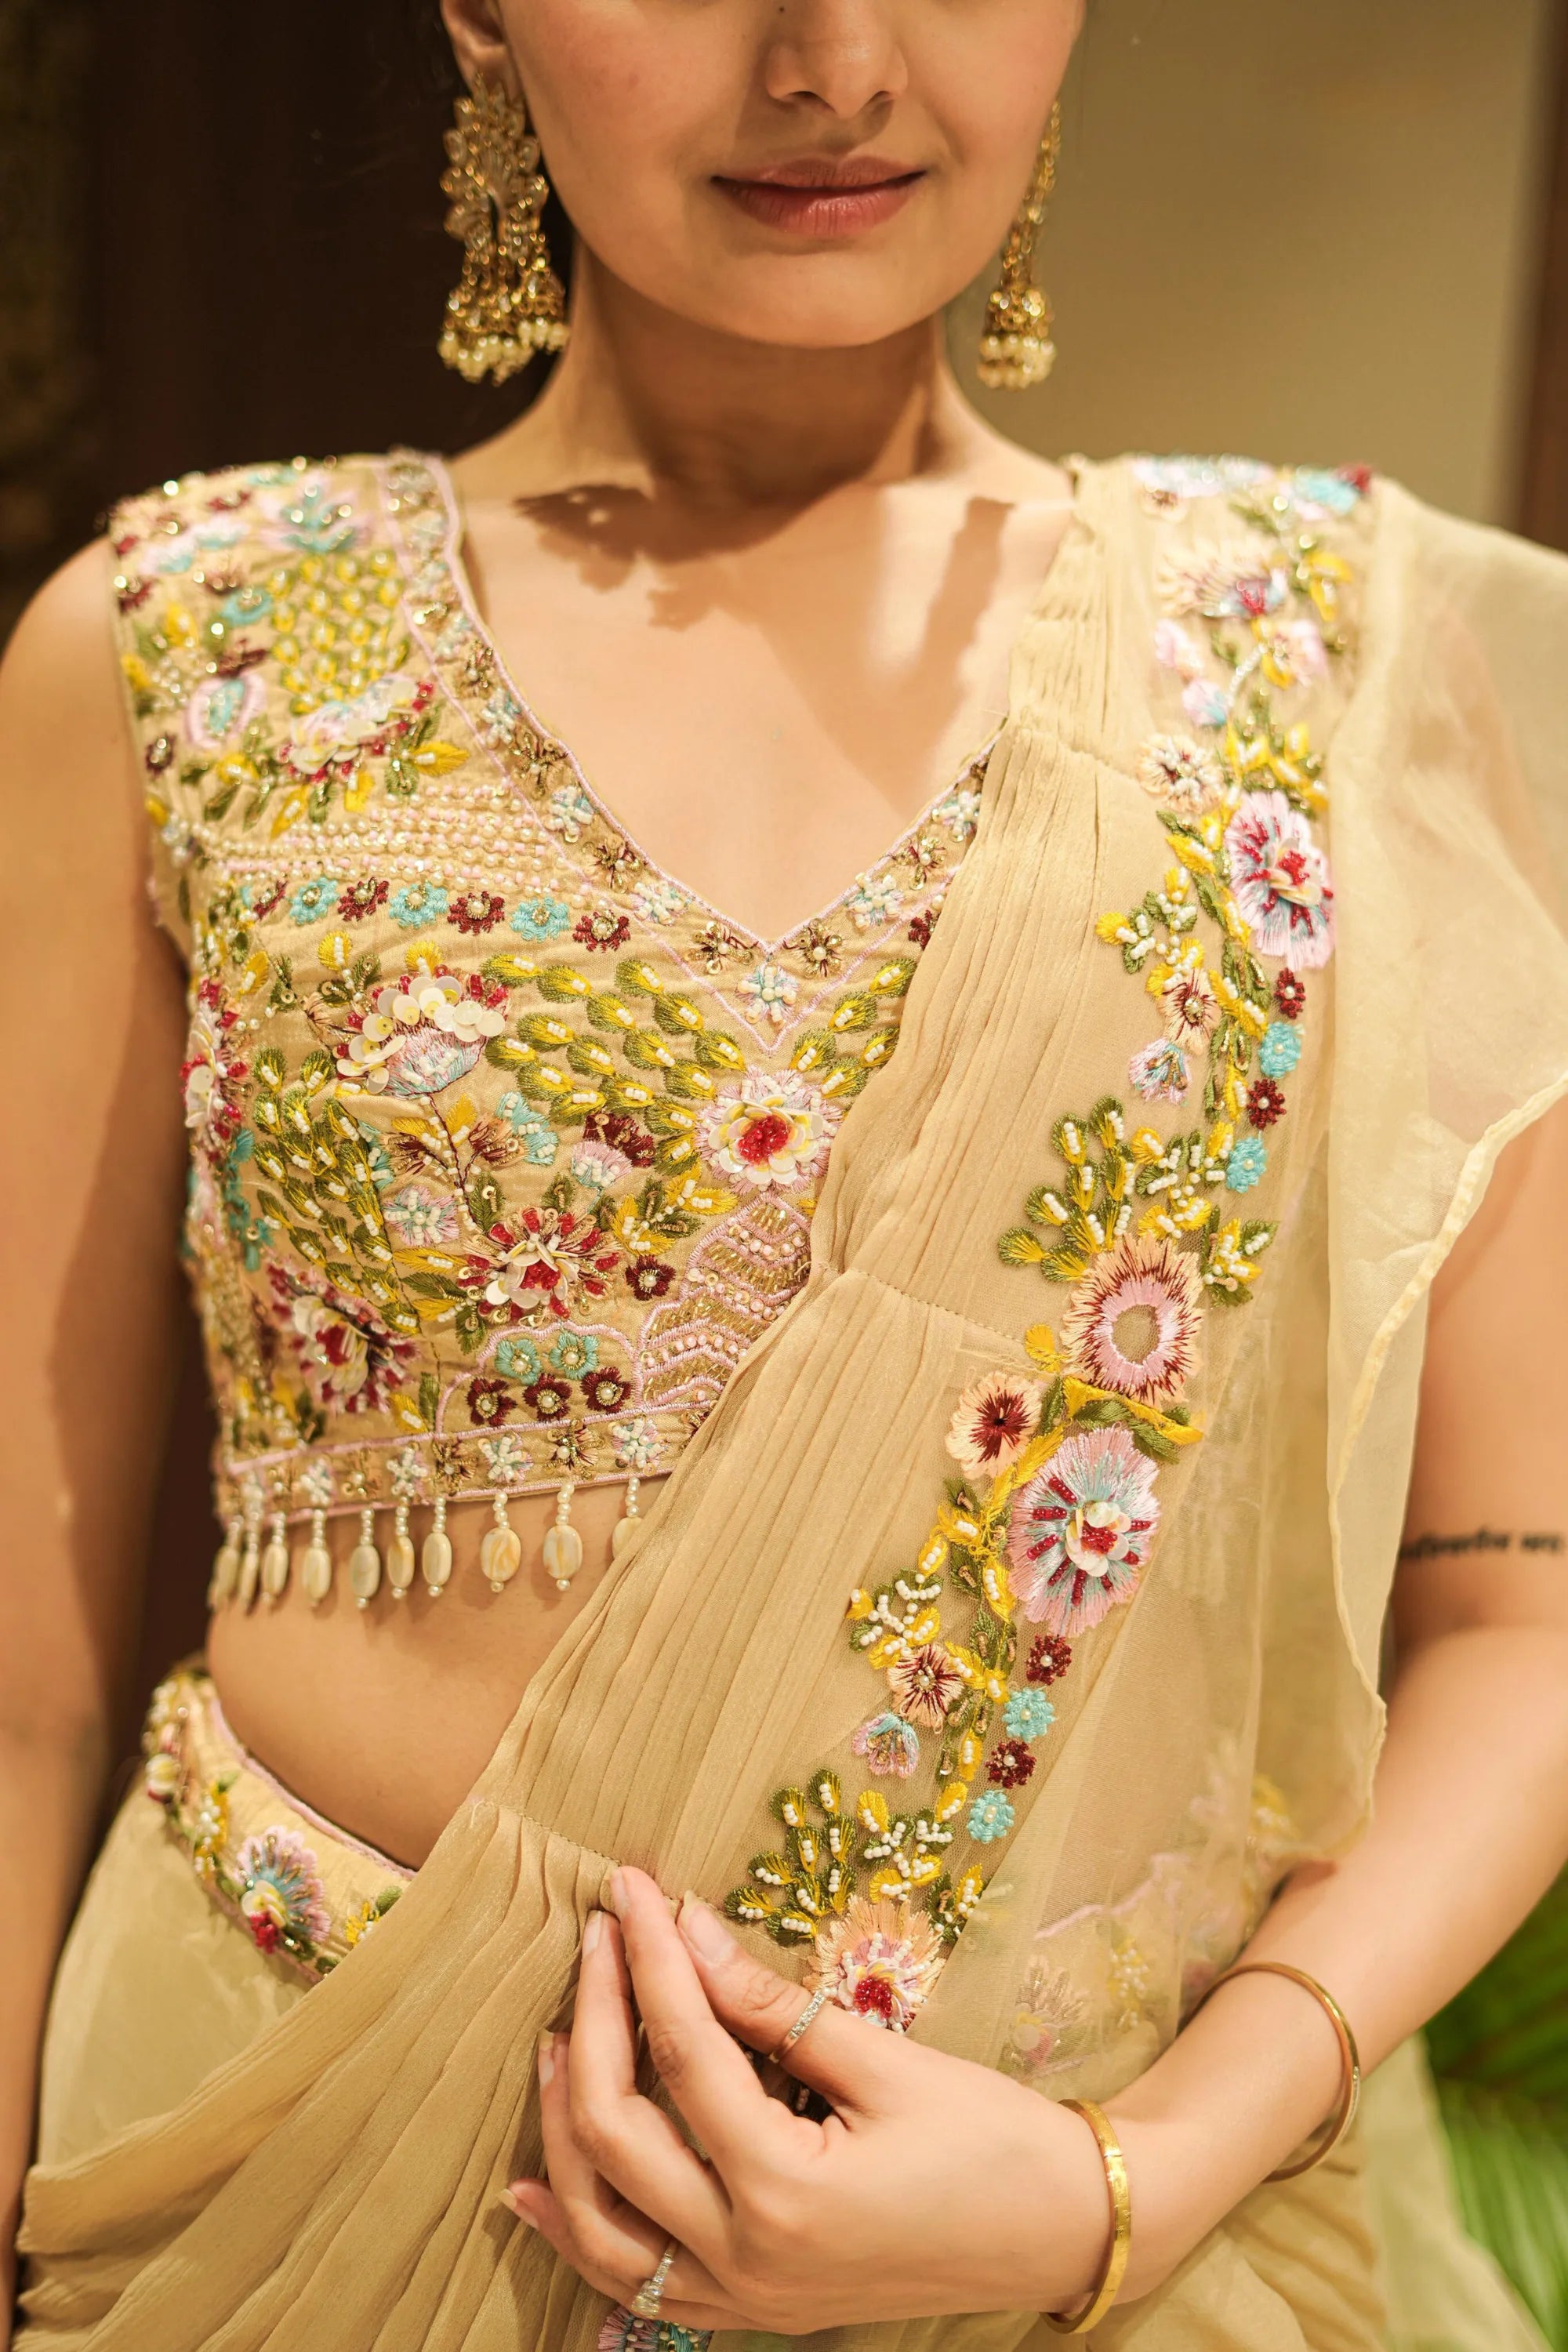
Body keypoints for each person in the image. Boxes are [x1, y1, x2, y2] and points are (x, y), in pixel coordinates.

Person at [5, 2, 1568, 2345]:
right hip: (285, 2194)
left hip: (1084, 2247)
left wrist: (1127, 2184)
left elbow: (1521, 1613)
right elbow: (18, 1679)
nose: (832, 61)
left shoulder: (1326, 660)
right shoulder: (187, 645)